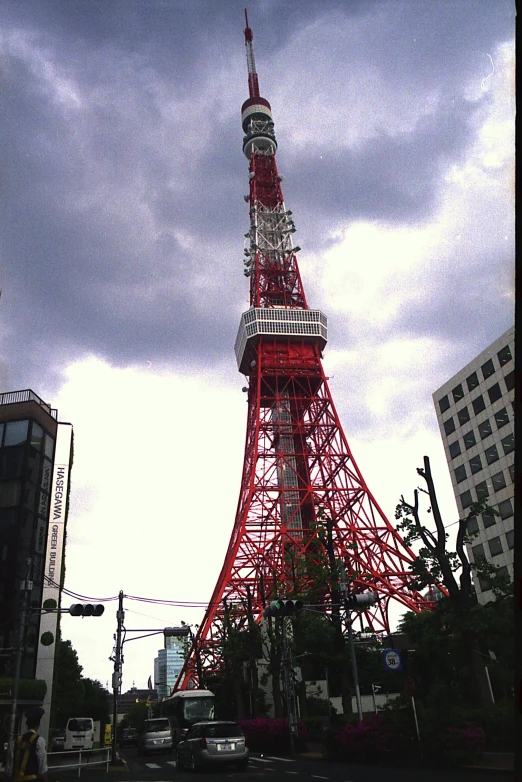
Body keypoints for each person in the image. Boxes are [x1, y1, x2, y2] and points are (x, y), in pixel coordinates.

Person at [5, 707, 48, 782]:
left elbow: (9, 766)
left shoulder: (15, 741)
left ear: (27, 724)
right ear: (38, 724)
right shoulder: (40, 740)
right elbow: (42, 766)